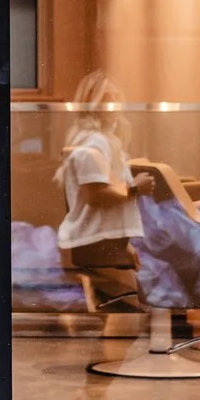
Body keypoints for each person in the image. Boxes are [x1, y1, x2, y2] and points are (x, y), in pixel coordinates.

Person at [55, 73, 151, 319]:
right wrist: (135, 188)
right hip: (94, 242)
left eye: (117, 97)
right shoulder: (95, 143)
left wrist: (123, 244)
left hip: (103, 240)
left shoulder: (106, 142)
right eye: (107, 98)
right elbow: (95, 195)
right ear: (93, 105)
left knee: (120, 315)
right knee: (129, 315)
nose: (115, 104)